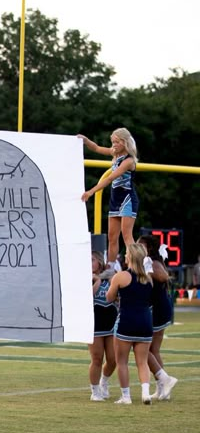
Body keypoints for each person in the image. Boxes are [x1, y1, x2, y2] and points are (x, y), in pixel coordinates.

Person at [79, 128, 139, 272]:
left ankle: (136, 266)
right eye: (112, 142)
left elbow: (111, 177)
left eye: (117, 142)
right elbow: (97, 148)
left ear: (125, 142)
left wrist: (91, 191)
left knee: (127, 235)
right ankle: (111, 267)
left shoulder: (129, 160)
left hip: (127, 199)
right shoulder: (115, 154)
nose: (114, 145)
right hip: (115, 200)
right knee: (112, 237)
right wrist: (86, 141)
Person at [106, 243, 154, 405]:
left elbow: (109, 297)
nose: (124, 256)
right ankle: (146, 393)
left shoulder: (120, 276)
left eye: (126, 254)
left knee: (122, 362)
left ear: (131, 257)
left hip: (126, 322)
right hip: (146, 323)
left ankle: (126, 396)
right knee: (142, 361)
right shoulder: (149, 278)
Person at [138, 234, 179, 401]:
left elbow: (163, 276)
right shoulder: (147, 262)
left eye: (141, 245)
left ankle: (164, 382)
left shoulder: (153, 262)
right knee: (153, 350)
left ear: (149, 248)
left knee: (147, 349)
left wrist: (148, 270)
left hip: (158, 309)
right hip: (158, 307)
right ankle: (162, 387)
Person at [89, 251, 117, 401]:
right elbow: (87, 297)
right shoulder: (84, 279)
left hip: (111, 323)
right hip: (94, 324)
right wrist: (97, 282)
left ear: (99, 262)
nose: (89, 262)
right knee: (97, 358)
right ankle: (95, 392)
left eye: (92, 259)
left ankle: (104, 382)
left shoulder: (110, 277)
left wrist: (109, 279)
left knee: (113, 359)